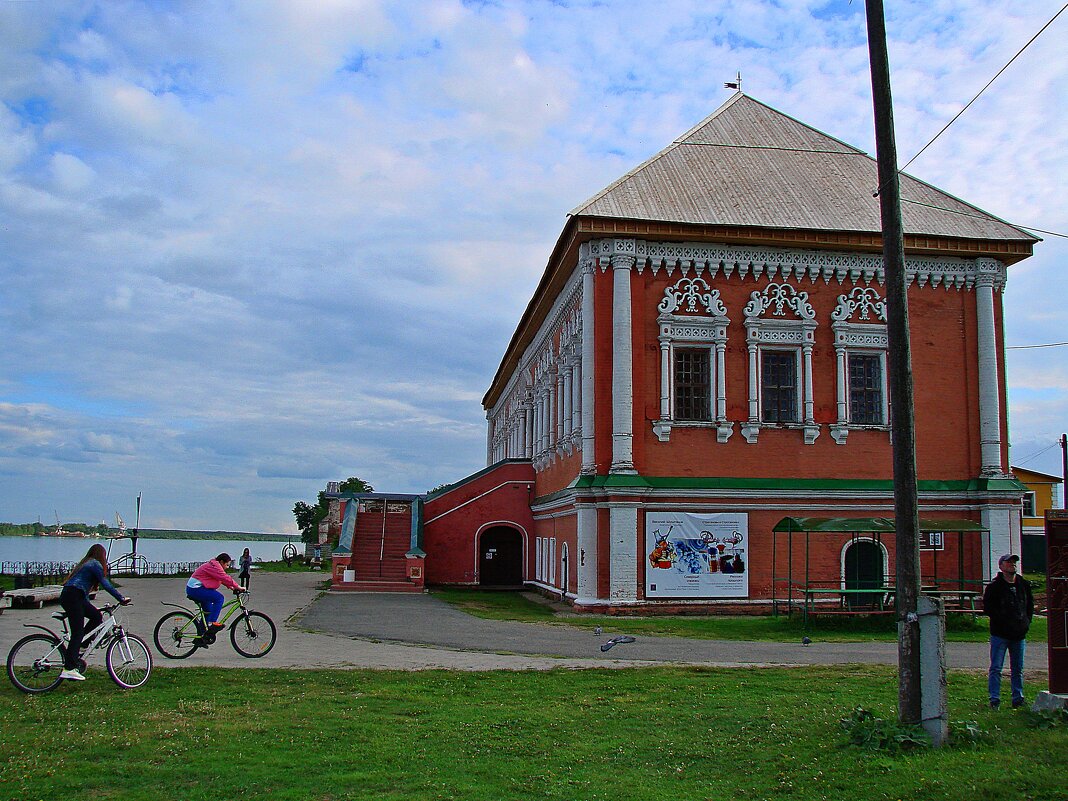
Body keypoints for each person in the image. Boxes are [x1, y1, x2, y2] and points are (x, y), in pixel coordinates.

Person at [59, 544, 129, 681]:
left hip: (73, 595)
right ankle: (69, 668)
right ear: (102, 555)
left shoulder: (85, 563)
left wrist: (89, 606)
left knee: (96, 616)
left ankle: (81, 647)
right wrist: (120, 598)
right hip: (73, 596)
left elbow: (82, 592)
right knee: (77, 633)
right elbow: (106, 584)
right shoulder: (95, 564)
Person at [982, 553, 1034, 709]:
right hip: (1000, 634)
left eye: (1014, 562)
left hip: (1019, 634)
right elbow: (989, 608)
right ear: (1001, 566)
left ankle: (1018, 698)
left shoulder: (1023, 585)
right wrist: (1003, 621)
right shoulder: (994, 587)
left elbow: (1029, 605)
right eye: (1009, 562)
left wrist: (1026, 621)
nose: (1012, 564)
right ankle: (994, 699)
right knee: (996, 667)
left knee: (1017, 668)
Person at [186, 553, 246, 643]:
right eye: (227, 565)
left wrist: (231, 587)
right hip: (195, 589)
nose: (227, 567)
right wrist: (238, 587)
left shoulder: (214, 565)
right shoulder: (215, 566)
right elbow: (224, 577)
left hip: (195, 588)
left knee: (208, 611)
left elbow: (219, 578)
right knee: (219, 598)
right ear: (221, 562)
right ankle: (212, 624)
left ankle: (200, 638)